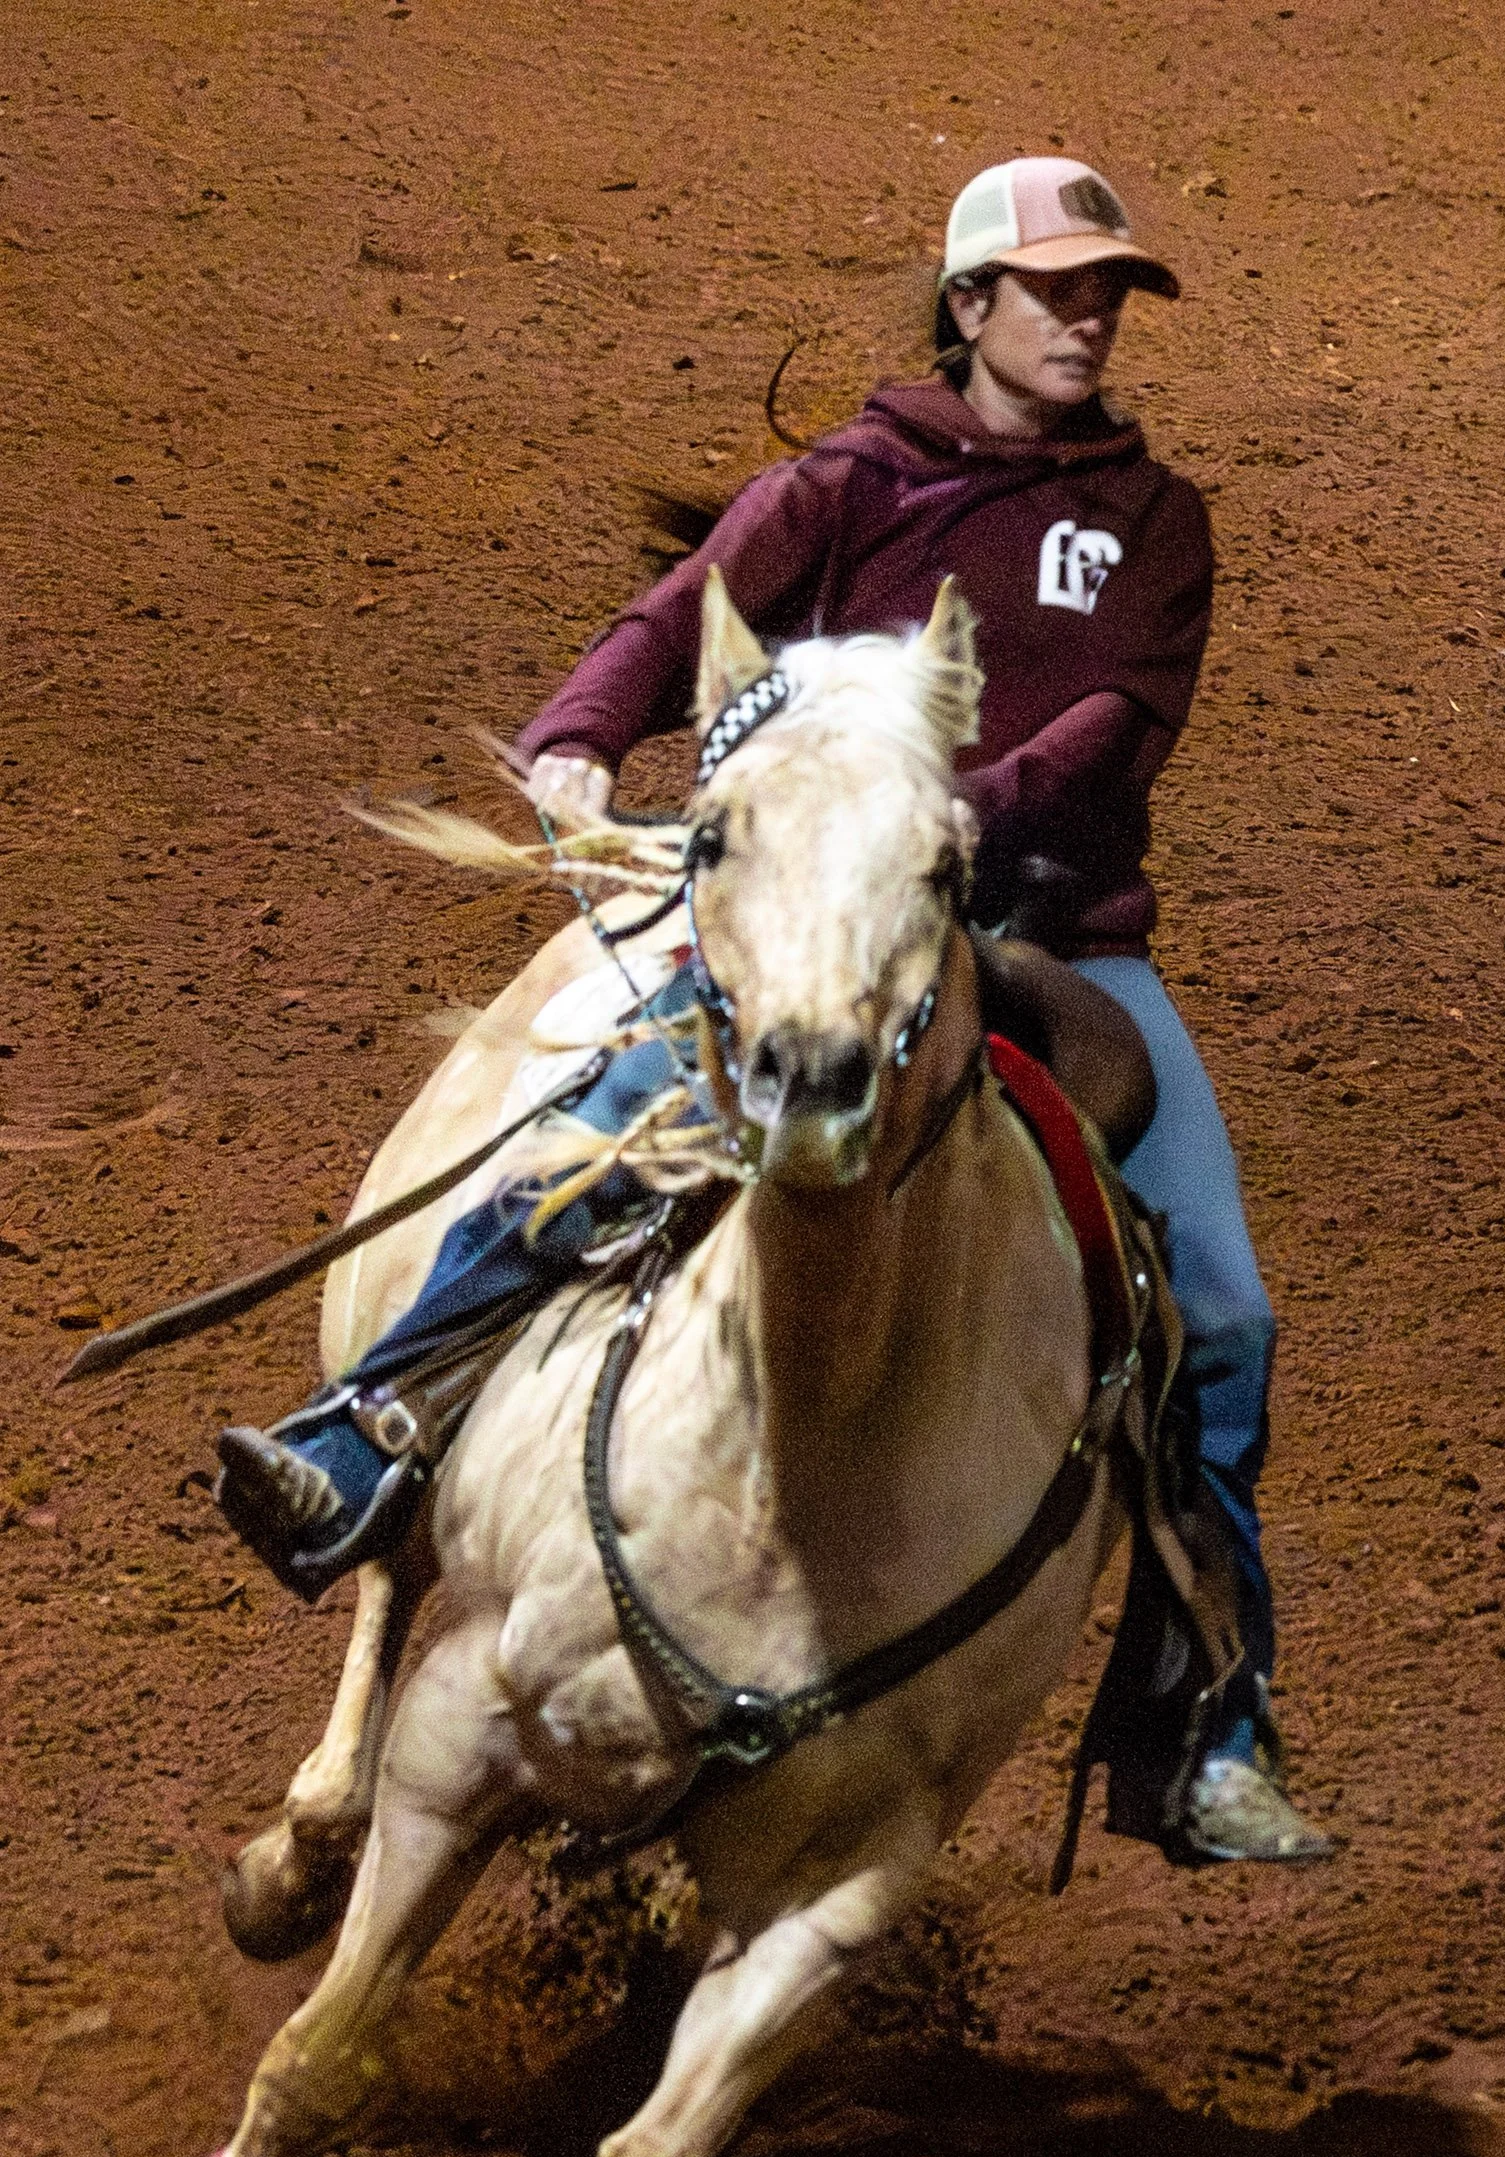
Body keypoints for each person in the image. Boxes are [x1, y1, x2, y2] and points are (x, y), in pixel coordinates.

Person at [216, 157, 1330, 1866]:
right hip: (808, 929)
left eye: (1109, 291)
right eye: (1054, 288)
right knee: (590, 1133)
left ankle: (1202, 1725)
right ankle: (371, 1438)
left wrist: (946, 810)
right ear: (970, 306)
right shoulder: (852, 480)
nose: (1089, 317)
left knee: (1224, 1310)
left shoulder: (1155, 520)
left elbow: (1115, 723)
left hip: (1049, 939)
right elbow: (680, 615)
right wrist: (583, 726)